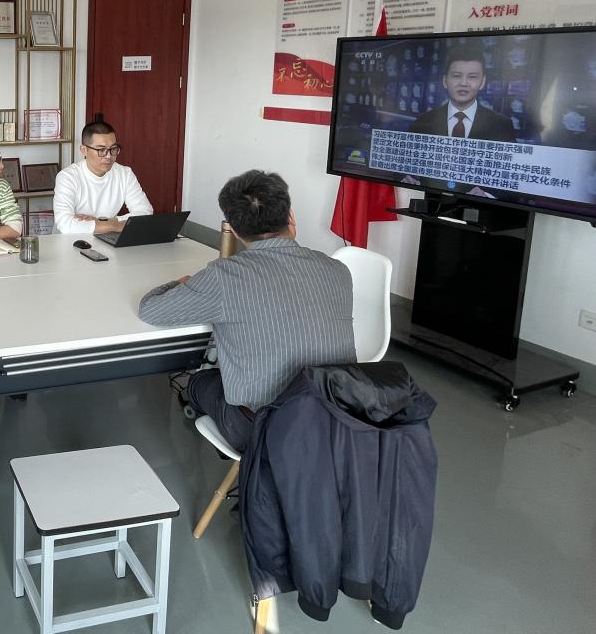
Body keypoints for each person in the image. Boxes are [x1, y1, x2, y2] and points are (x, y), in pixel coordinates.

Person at [137, 170, 355, 453]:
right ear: (291, 218)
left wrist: (178, 284)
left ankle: (245, 461)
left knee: (199, 382)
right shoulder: (337, 270)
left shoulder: (225, 276)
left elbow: (151, 310)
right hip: (342, 423)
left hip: (267, 431)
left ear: (234, 231)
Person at [53, 120, 153, 235]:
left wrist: (103, 222)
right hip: (68, 240)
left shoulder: (125, 174)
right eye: (101, 150)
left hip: (106, 237)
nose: (108, 156)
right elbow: (65, 225)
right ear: (84, 150)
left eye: (113, 149)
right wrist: (115, 225)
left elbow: (145, 212)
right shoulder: (67, 177)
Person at [409, 44, 516, 141]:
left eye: (472, 77)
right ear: (445, 81)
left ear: (482, 82)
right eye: (456, 76)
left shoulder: (502, 125)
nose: (463, 83)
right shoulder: (422, 122)